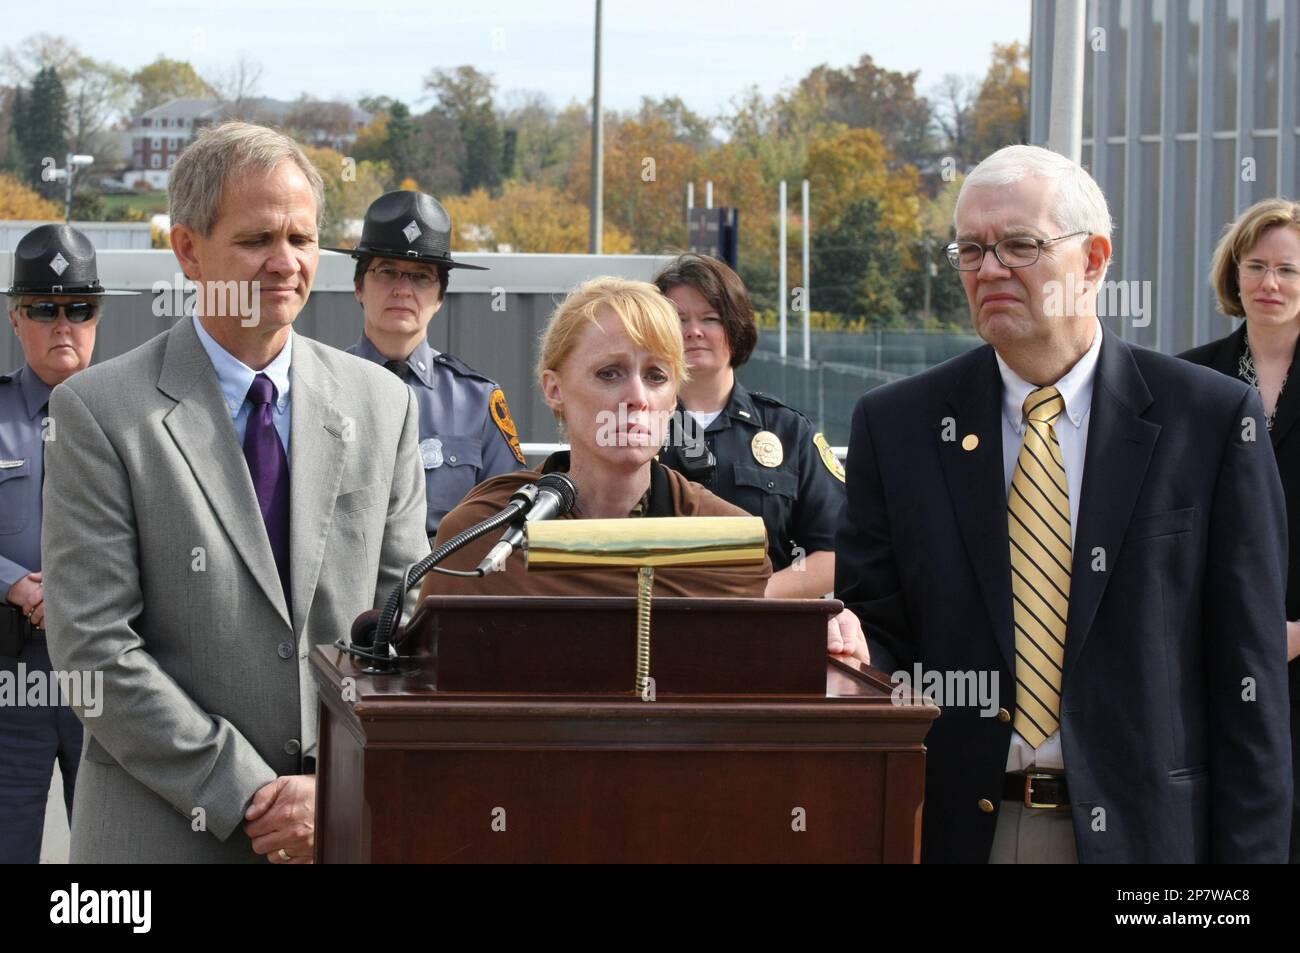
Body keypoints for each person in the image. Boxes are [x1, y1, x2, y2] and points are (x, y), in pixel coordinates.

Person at [835, 144, 1292, 863]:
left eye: (1020, 245)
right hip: (957, 830)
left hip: (1150, 840)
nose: (990, 269)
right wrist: (853, 650)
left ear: (1095, 259)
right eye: (971, 249)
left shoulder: (1207, 421)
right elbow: (877, 634)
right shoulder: (896, 427)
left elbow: (1251, 680)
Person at [41, 122, 430, 864]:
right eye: (257, 240)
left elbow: (402, 629)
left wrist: (335, 786)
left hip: (337, 825)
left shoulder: (384, 405)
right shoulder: (99, 412)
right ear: (189, 250)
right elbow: (94, 650)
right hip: (158, 834)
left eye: (302, 238)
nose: (285, 263)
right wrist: (249, 791)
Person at [423, 278, 869, 661]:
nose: (636, 396)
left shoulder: (726, 539)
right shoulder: (483, 535)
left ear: (674, 398)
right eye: (610, 373)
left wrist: (819, 631)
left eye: (656, 376)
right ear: (554, 389)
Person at [0, 224, 136, 863]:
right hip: (10, 679)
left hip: (107, 680)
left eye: (79, 309)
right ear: (15, 317)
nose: (63, 324)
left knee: (108, 861)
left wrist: (74, 595)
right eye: (44, 309)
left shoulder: (138, 421)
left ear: (98, 316)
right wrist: (13, 581)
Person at [1180, 197, 1300, 862]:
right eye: (1255, 265)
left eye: (1288, 269)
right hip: (1211, 658)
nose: (1270, 283)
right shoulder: (1186, 378)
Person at [331, 190, 527, 536]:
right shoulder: (320, 388)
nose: (403, 290)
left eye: (421, 276)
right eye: (387, 271)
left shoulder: (477, 402)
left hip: (441, 584)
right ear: (359, 286)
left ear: (439, 297)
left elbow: (507, 516)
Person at [654, 254, 845, 598]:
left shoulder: (788, 431)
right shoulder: (633, 428)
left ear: (736, 328)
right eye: (678, 319)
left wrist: (751, 598)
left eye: (710, 319)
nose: (693, 331)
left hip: (765, 632)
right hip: (656, 629)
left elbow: (836, 552)